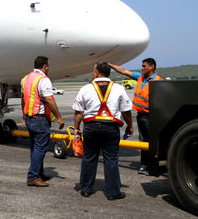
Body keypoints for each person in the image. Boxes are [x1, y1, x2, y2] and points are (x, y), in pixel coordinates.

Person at [73, 62, 133, 200]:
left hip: (91, 127)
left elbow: (78, 112)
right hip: (111, 128)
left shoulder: (86, 89)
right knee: (111, 159)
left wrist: (76, 128)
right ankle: (113, 192)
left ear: (96, 73)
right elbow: (126, 111)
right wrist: (130, 125)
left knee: (89, 157)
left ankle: (86, 189)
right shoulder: (118, 89)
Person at [109, 58, 162, 174]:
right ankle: (144, 165)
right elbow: (123, 71)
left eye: (144, 66)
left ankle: (154, 166)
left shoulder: (158, 81)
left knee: (152, 142)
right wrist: (110, 64)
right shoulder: (140, 77)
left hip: (151, 117)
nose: (142, 68)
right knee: (143, 141)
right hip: (141, 116)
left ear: (152, 67)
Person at [21, 56, 64, 187]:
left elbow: (23, 98)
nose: (48, 68)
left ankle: (39, 173)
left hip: (29, 117)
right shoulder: (43, 80)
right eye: (48, 66)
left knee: (35, 147)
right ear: (45, 66)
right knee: (41, 147)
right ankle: (33, 176)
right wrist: (59, 117)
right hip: (39, 118)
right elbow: (49, 100)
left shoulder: (26, 78)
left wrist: (24, 114)